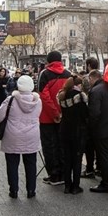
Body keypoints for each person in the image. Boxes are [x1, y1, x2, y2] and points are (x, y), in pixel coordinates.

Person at [0, 75, 42, 199]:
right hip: (32, 135)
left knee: (12, 164)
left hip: (12, 135)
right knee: (31, 164)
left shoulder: (10, 100)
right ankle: (31, 190)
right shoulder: (38, 101)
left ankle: (14, 190)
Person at [37, 51, 71, 186]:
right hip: (64, 117)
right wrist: (61, 113)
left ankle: (54, 174)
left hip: (47, 118)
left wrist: (55, 113)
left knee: (49, 146)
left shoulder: (44, 74)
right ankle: (64, 173)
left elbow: (44, 97)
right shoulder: (68, 74)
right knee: (62, 145)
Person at [87, 70, 108, 193]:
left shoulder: (95, 91)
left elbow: (94, 113)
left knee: (104, 156)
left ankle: (106, 183)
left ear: (92, 78)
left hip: (102, 129)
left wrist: (91, 128)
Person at [57, 75, 89, 195]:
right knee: (77, 159)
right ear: (78, 85)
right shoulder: (80, 97)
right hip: (77, 131)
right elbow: (85, 115)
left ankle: (67, 186)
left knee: (67, 159)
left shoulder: (63, 95)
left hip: (64, 130)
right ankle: (75, 186)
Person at [81, 56, 100, 178]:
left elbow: (83, 96)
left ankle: (89, 168)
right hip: (101, 116)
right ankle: (99, 167)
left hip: (89, 114)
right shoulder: (103, 77)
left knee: (89, 145)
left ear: (88, 66)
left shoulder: (85, 79)